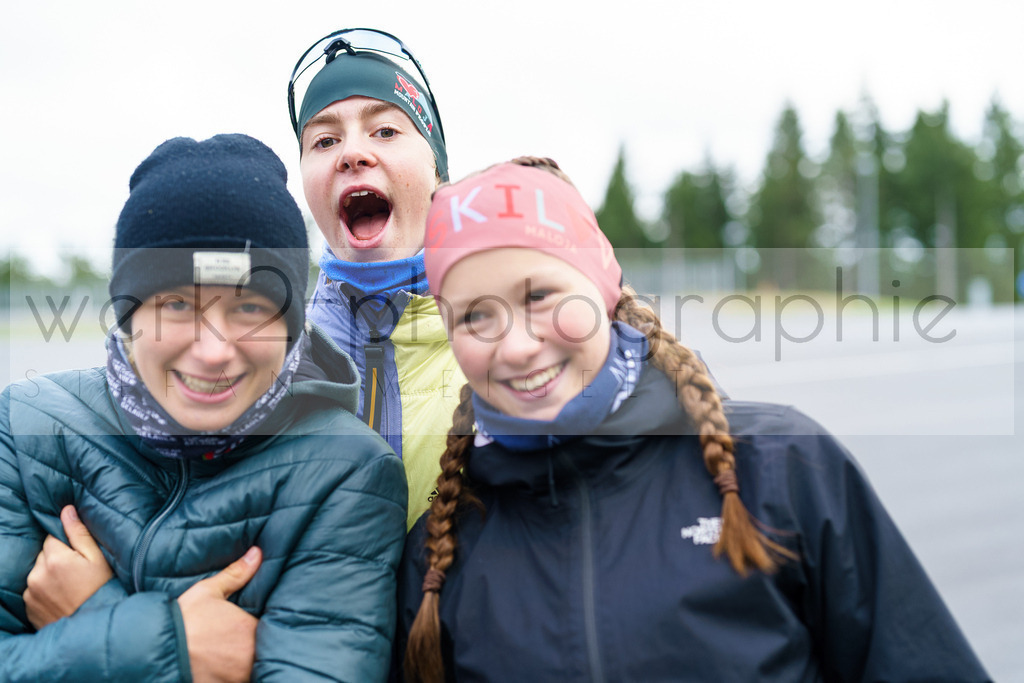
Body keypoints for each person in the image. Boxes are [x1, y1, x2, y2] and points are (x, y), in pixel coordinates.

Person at [394, 158, 991, 682]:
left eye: (540, 296)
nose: (518, 345)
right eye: (475, 315)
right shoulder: (441, 559)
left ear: (603, 285)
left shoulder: (781, 468)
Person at [0, 134, 407, 682]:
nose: (214, 350)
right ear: (129, 314)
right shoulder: (27, 428)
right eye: (175, 304)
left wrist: (94, 614)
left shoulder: (346, 471)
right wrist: (174, 646)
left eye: (249, 307)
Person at [288, 28, 464, 529]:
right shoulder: (271, 361)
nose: (352, 154)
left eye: (385, 131)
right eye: (324, 140)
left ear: (437, 171)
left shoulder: (521, 342)